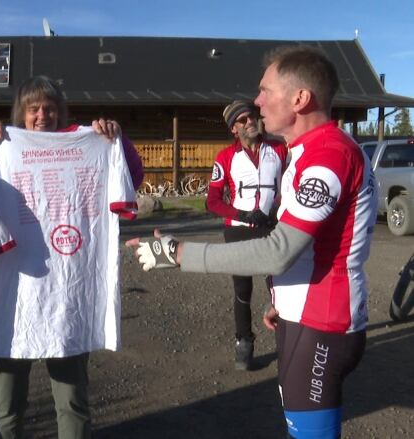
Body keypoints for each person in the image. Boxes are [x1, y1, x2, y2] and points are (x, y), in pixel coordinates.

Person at [127, 45, 376, 439]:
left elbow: (279, 250)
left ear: (299, 98)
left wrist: (178, 254)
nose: (257, 101)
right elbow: (310, 243)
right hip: (301, 314)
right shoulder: (305, 151)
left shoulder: (328, 154)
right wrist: (284, 298)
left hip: (323, 322)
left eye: (265, 90)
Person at [0, 75, 143, 439]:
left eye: (49, 108)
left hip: (67, 296)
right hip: (15, 296)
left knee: (72, 400)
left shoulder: (87, 141)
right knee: (7, 406)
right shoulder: (0, 145)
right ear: (21, 114)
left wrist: (116, 138)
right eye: (33, 109)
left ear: (60, 112)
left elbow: (131, 174)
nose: (42, 115)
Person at [207, 100, 287, 370]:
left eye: (251, 116)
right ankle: (244, 340)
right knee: (242, 288)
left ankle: (288, 339)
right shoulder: (225, 157)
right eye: (242, 120)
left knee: (279, 284)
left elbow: (290, 183)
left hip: (269, 226)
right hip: (238, 228)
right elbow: (213, 201)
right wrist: (241, 215)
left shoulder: (278, 149)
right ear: (234, 129)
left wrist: (276, 208)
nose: (250, 122)